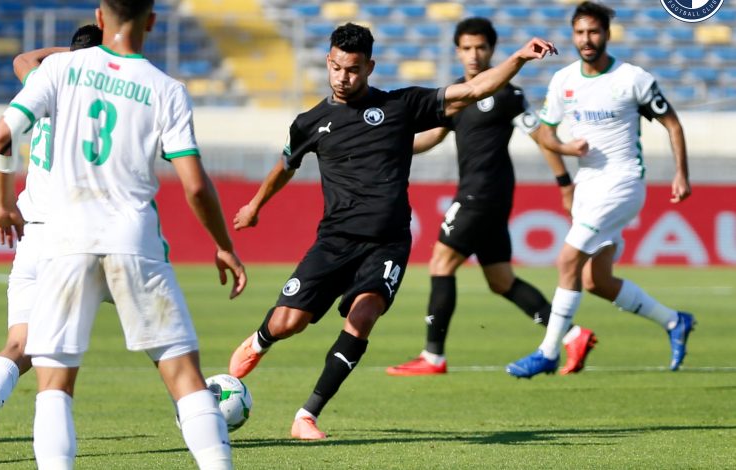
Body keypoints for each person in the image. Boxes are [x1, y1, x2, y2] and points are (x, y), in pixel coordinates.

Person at [228, 22, 556, 440]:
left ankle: (307, 415)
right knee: (288, 322)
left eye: (353, 70)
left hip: (387, 243)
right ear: (328, 62)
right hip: (334, 241)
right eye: (336, 68)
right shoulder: (310, 122)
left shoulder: (401, 106)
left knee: (363, 316)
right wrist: (255, 205)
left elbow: (474, 90)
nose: (343, 78)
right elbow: (285, 165)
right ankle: (260, 340)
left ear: (370, 67)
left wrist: (519, 57)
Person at [0, 1, 247, 468]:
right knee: (184, 377)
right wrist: (223, 245)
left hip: (65, 243)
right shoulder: (167, 89)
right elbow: (194, 185)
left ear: (99, 17)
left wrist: (4, 203)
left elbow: (3, 135)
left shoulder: (58, 70)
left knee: (54, 385)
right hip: (134, 241)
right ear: (152, 21)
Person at [386, 17, 597, 378]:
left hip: (481, 195)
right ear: (457, 51)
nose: (473, 55)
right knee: (501, 280)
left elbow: (542, 138)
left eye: (480, 48)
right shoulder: (456, 93)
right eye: (467, 48)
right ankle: (573, 335)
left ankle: (433, 356)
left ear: (492, 50)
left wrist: (564, 183)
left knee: (440, 264)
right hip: (489, 197)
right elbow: (433, 136)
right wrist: (388, 146)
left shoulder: (506, 95)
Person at [506, 1, 695, 379]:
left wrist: (681, 174)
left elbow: (672, 124)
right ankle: (675, 321)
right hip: (588, 187)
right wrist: (566, 149)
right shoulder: (563, 81)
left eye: (594, 31)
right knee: (596, 280)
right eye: (580, 32)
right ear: (573, 35)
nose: (587, 39)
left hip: (624, 183)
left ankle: (548, 351)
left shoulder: (632, 78)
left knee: (567, 261)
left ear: (607, 34)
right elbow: (545, 134)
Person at [0, 24, 102, 465]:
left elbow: (23, 60)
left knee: (18, 343)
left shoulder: (44, 82)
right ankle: (191, 406)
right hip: (71, 238)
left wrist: (69, 54)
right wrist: (95, 54)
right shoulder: (98, 97)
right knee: (59, 356)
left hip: (31, 236)